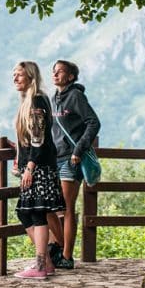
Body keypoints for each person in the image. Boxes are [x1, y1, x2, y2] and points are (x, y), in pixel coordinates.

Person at [11, 61, 66, 280]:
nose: (15, 79)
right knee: (26, 212)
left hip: (39, 167)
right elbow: (32, 137)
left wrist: (30, 167)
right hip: (36, 165)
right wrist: (18, 152)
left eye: (19, 75)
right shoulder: (30, 100)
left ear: (31, 77)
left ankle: (41, 265)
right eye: (14, 75)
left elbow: (38, 137)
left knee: (36, 213)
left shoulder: (36, 100)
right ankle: (46, 262)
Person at [47, 60, 101, 269]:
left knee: (67, 207)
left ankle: (67, 257)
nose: (55, 74)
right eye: (53, 71)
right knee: (52, 207)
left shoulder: (76, 96)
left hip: (71, 159)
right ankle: (59, 248)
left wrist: (78, 150)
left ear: (70, 76)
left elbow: (94, 122)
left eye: (60, 71)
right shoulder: (53, 98)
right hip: (55, 158)